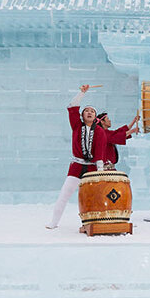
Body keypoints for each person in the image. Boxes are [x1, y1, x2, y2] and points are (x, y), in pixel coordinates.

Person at [46, 85, 108, 229]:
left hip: (92, 168)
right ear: (82, 115)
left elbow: (100, 152)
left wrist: (100, 171)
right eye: (86, 110)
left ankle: (96, 222)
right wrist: (82, 93)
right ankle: (54, 222)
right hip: (77, 166)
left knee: (96, 197)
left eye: (92, 111)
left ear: (95, 117)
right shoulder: (76, 126)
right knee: (64, 195)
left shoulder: (99, 131)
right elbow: (72, 106)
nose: (89, 112)